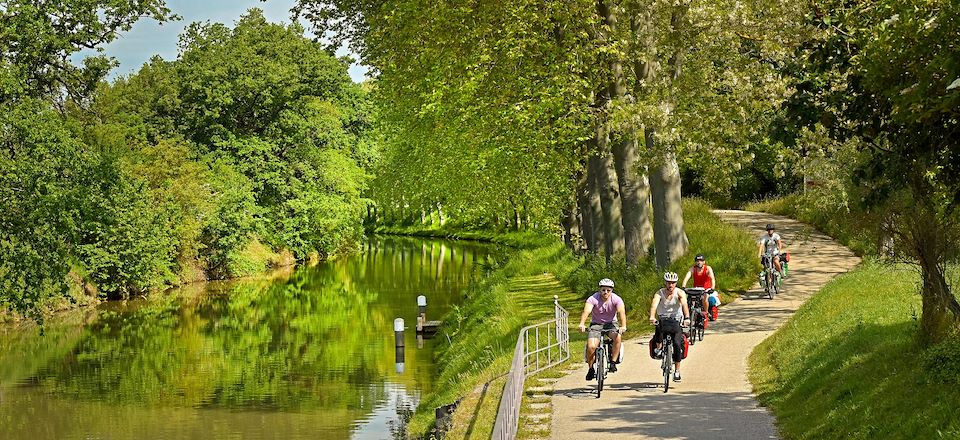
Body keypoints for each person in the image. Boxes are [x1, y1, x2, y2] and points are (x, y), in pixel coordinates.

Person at [578, 278, 627, 381]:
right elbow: (586, 311)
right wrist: (582, 324)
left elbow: (621, 312)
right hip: (596, 324)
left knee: (617, 337)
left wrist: (623, 326)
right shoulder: (593, 299)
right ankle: (591, 369)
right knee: (591, 346)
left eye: (608, 290)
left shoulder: (616, 299)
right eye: (603, 290)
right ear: (599, 290)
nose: (605, 292)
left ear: (611, 291)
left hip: (611, 324)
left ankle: (613, 362)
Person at [649, 272, 690, 382]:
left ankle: (677, 371)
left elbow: (685, 305)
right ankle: (658, 348)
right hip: (663, 318)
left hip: (676, 319)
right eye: (668, 283)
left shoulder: (680, 293)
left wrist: (687, 318)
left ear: (676, 283)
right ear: (665, 283)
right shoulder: (659, 293)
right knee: (658, 329)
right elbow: (654, 305)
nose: (670, 285)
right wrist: (652, 317)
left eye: (673, 283)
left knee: (677, 343)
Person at [681, 253, 719, 320]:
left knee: (705, 298)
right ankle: (688, 314)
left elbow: (712, 278)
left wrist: (712, 288)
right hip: (696, 289)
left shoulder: (708, 268)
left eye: (701, 260)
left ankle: (706, 313)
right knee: (689, 299)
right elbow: (687, 277)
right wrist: (683, 286)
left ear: (704, 262)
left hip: (706, 289)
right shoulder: (693, 269)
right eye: (697, 261)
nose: (699, 262)